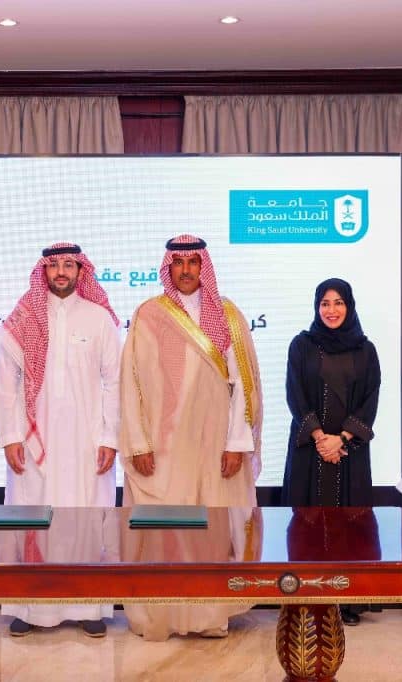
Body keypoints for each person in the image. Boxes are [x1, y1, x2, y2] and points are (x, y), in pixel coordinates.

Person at [119, 234, 262, 639]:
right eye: (178, 263)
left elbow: (244, 386)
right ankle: (161, 617)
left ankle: (207, 617)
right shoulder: (148, 315)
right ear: (169, 267)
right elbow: (130, 383)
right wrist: (138, 444)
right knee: (165, 532)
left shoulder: (228, 315)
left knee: (212, 531)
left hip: (214, 446)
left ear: (203, 266)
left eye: (193, 262)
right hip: (163, 448)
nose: (185, 270)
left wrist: (236, 444)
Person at [0, 242, 121, 638]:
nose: (61, 272)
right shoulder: (24, 317)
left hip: (87, 442)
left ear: (81, 270)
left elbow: (114, 382)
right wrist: (11, 436)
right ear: (44, 271)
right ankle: (30, 608)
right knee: (33, 517)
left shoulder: (99, 318)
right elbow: (5, 384)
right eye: (54, 266)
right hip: (35, 442)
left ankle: (88, 606)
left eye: (69, 265)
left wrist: (110, 436)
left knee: (85, 521)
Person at [281, 278, 380, 624]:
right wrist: (321, 437)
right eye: (325, 303)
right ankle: (305, 600)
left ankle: (348, 602)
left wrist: (343, 438)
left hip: (349, 453)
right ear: (316, 307)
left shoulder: (366, 350)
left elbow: (370, 398)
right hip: (310, 451)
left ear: (349, 307)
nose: (331, 310)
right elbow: (295, 393)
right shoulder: (301, 345)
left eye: (338, 303)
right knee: (307, 525)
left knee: (351, 524)